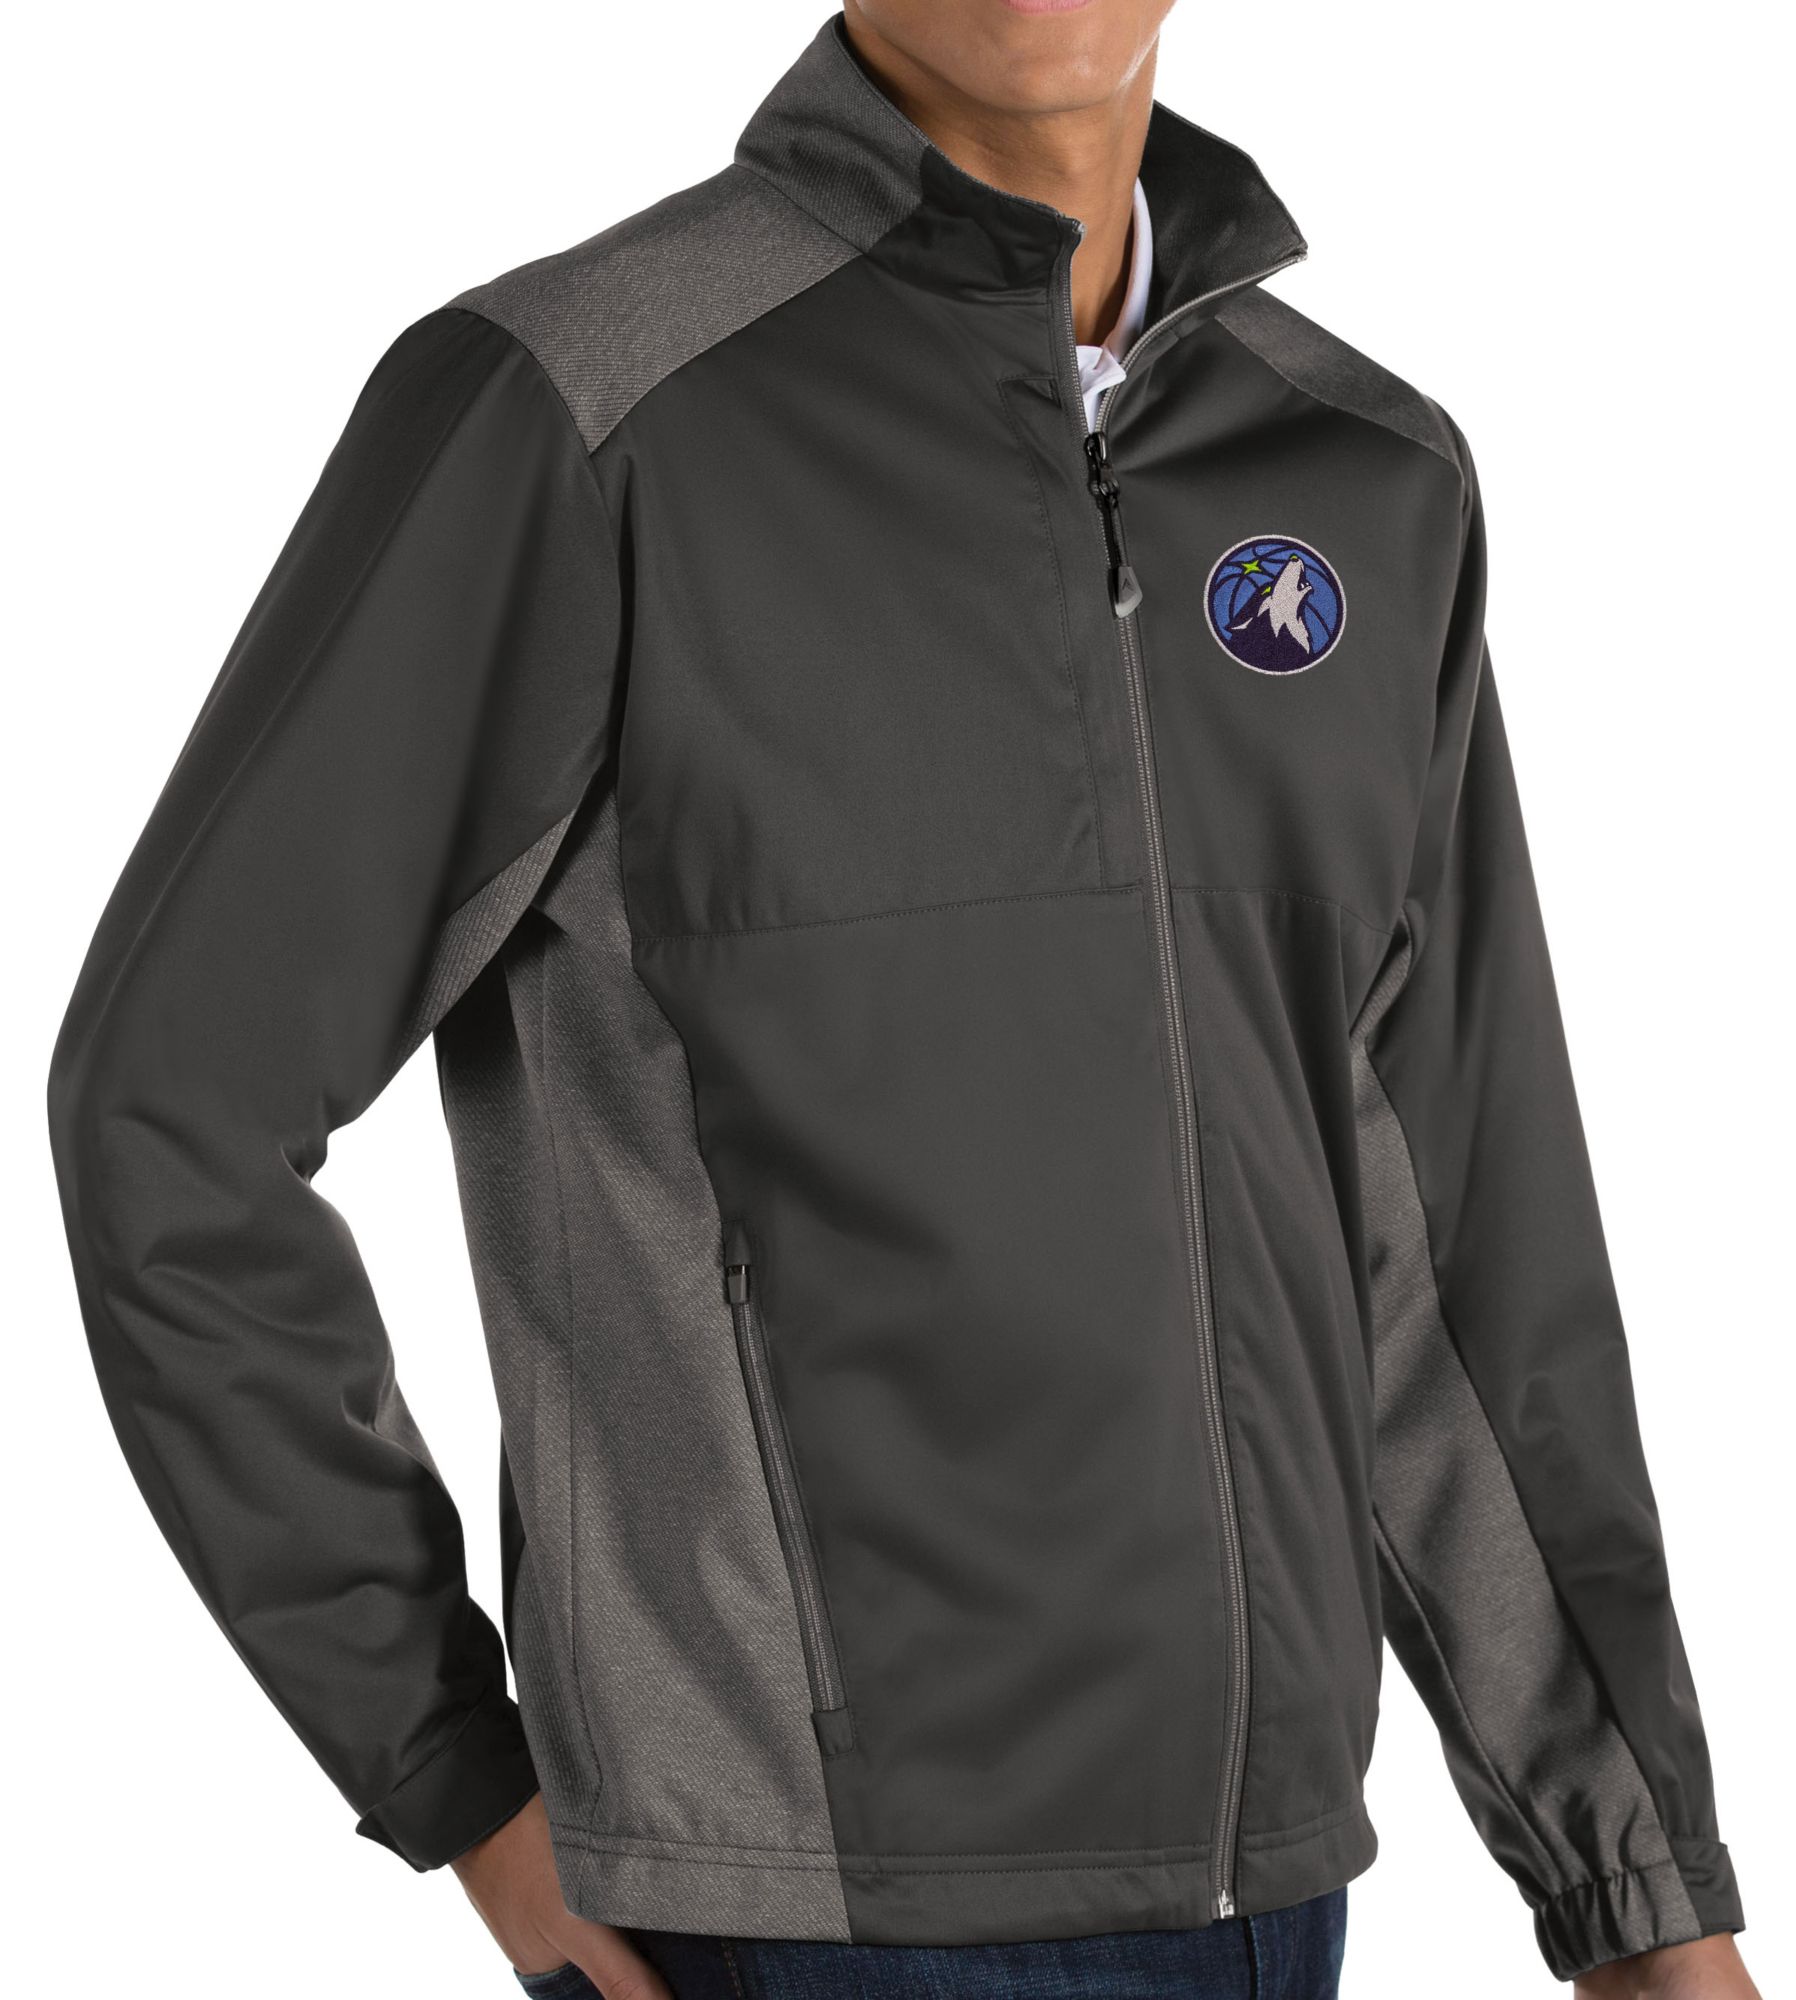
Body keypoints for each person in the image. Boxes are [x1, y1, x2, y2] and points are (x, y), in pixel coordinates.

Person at [46, 3, 1759, 1997]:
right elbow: (170, 1109)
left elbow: (1457, 1244)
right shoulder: (583, 413)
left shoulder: (1366, 474)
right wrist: (455, 1774)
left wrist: (1637, 1886)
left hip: (1271, 1894)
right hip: (790, 1917)